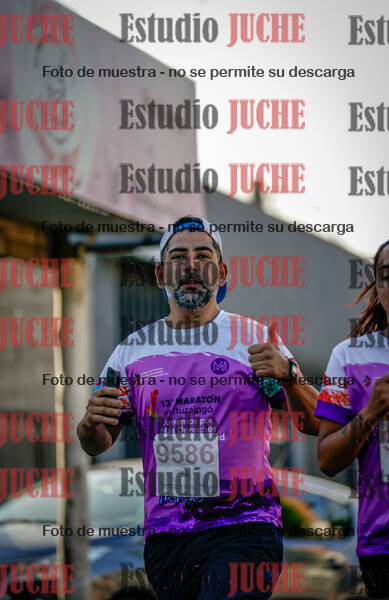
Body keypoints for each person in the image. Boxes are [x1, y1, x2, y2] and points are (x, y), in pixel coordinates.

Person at [77, 215, 319, 599]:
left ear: (221, 273)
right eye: (178, 257)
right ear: (161, 275)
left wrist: (290, 376)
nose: (191, 265)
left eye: (203, 256)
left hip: (245, 525)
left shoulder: (253, 339)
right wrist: (90, 423)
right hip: (167, 537)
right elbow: (96, 442)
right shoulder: (130, 352)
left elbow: (316, 423)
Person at [315, 236, 389, 600]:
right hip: (384, 545)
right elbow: (327, 460)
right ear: (376, 288)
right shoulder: (349, 357)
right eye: (387, 275)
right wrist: (371, 412)